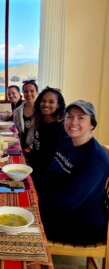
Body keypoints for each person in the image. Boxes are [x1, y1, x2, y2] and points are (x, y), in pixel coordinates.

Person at [38, 100, 109, 245]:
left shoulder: (95, 158)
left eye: (81, 117)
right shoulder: (66, 142)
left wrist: (36, 202)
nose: (73, 122)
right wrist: (33, 191)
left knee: (25, 224)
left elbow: (68, 201)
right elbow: (49, 175)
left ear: (92, 124)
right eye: (70, 116)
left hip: (83, 224)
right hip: (62, 210)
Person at [27, 87, 67, 184]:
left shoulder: (59, 129)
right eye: (43, 101)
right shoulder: (42, 122)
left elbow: (51, 161)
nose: (46, 104)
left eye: (51, 102)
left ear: (58, 105)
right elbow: (38, 149)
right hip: (33, 168)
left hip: (44, 178)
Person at [13, 80, 38, 151]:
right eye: (26, 91)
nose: (29, 94)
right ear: (23, 93)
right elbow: (17, 129)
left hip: (36, 149)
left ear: (37, 92)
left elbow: (44, 135)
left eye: (32, 91)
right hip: (20, 145)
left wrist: (29, 148)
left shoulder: (41, 111)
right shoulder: (18, 111)